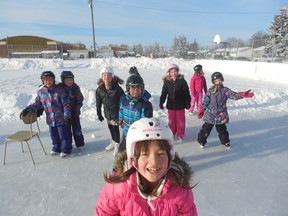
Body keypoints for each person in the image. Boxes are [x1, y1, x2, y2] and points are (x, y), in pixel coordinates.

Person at [95, 117, 198, 215]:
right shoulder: (117, 188)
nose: (154, 162)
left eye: (160, 154)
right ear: (133, 158)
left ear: (169, 157)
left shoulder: (180, 190)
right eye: (145, 154)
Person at [19, 71, 72, 158]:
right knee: (54, 135)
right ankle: (56, 147)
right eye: (46, 80)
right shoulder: (41, 92)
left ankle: (66, 149)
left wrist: (66, 115)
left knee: (63, 135)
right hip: (50, 119)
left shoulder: (60, 90)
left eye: (50, 79)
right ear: (43, 81)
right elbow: (38, 104)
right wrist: (27, 109)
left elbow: (66, 104)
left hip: (61, 118)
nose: (48, 82)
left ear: (54, 80)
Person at [197, 71, 254, 148]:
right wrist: (202, 109)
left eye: (219, 80)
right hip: (210, 114)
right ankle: (201, 141)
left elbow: (234, 95)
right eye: (216, 81)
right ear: (213, 82)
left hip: (221, 115)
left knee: (222, 130)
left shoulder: (225, 90)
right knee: (206, 129)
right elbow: (206, 101)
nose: (218, 82)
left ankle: (225, 141)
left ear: (222, 80)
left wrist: (242, 94)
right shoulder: (210, 91)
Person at [118, 69, 153, 155]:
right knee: (123, 152)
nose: (136, 90)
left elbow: (146, 123)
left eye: (138, 87)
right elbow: (121, 110)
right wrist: (120, 119)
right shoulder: (123, 99)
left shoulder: (145, 105)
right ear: (128, 88)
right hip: (126, 132)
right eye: (132, 88)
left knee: (136, 154)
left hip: (138, 135)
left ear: (142, 88)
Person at [96, 66, 125, 154]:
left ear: (112, 77)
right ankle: (113, 141)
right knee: (110, 128)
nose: (106, 77)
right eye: (104, 75)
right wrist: (99, 113)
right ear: (101, 77)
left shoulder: (117, 89)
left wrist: (122, 114)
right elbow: (98, 102)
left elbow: (123, 101)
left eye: (109, 75)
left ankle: (117, 144)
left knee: (115, 129)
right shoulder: (99, 90)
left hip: (116, 114)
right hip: (107, 114)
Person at [159, 64, 191, 141]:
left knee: (180, 120)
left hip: (180, 105)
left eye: (175, 72)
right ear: (169, 73)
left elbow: (186, 93)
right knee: (171, 121)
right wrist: (161, 102)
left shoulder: (182, 81)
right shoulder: (167, 82)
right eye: (172, 72)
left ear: (178, 72)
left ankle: (180, 133)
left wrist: (187, 103)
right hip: (171, 105)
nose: (173, 74)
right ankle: (172, 132)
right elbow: (164, 93)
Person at [59, 71, 85, 149]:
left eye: (71, 80)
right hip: (64, 115)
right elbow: (51, 88)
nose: (69, 82)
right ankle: (68, 145)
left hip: (74, 113)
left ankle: (80, 144)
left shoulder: (75, 88)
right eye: (67, 80)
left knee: (77, 130)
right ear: (63, 80)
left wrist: (76, 110)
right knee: (66, 131)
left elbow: (80, 100)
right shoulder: (59, 88)